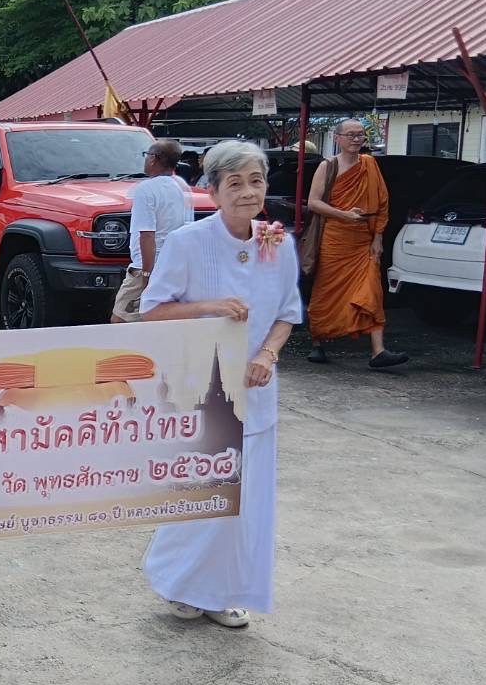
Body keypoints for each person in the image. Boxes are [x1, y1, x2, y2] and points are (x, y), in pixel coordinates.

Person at [138, 141, 302, 629]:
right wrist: (208, 307)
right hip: (201, 390)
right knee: (202, 492)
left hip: (256, 392)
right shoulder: (188, 243)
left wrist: (268, 354)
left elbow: (288, 314)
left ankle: (224, 590)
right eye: (234, 183)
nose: (248, 192)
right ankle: (179, 584)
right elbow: (153, 309)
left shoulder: (279, 243)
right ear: (212, 190)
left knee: (245, 501)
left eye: (256, 181)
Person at [306, 119, 408, 370]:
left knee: (372, 290)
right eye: (350, 134)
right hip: (335, 237)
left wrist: (378, 238)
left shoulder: (370, 164)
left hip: (364, 239)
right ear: (337, 138)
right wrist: (343, 214)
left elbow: (382, 204)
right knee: (326, 292)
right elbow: (313, 203)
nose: (356, 139)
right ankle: (317, 342)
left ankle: (378, 351)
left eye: (360, 134)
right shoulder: (327, 166)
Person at [113, 139, 193, 322]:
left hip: (146, 267)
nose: (145, 159)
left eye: (146, 155)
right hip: (174, 265)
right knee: (156, 319)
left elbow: (147, 235)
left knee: (119, 321)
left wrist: (147, 276)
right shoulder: (181, 186)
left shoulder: (145, 189)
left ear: (154, 159)